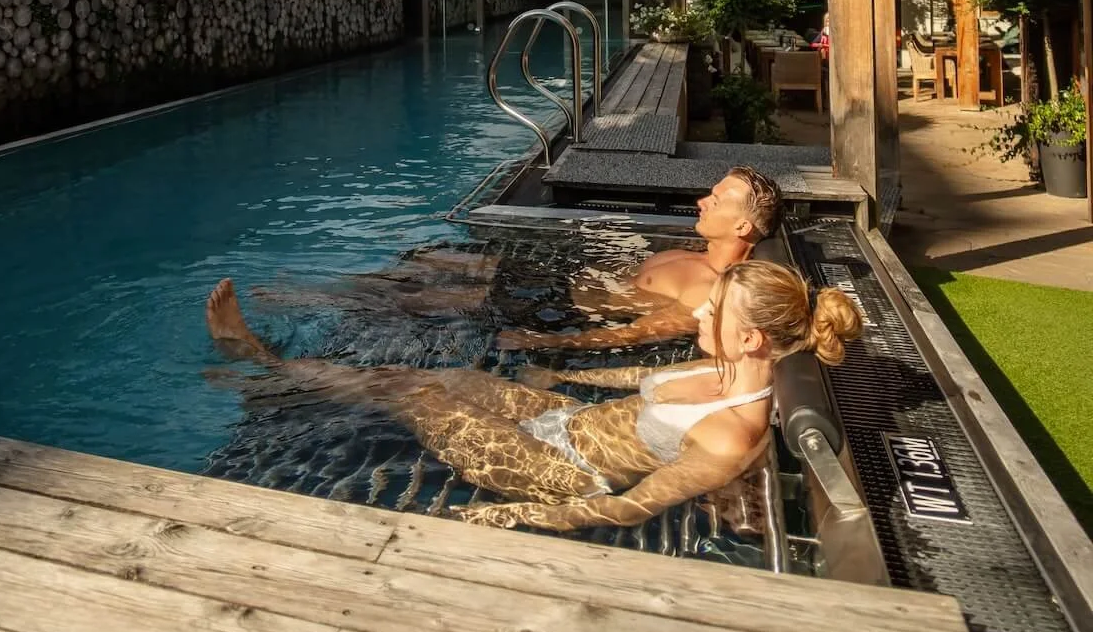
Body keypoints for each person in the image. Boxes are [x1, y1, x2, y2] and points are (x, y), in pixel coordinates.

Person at [203, 261, 861, 533]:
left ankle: (263, 364)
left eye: (712, 311)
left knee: (417, 392)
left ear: (749, 339)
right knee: (443, 382)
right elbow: (634, 388)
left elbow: (628, 507)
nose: (698, 315)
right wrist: (559, 383)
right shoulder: (719, 366)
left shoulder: (728, 437)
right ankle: (277, 374)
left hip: (563, 469)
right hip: (566, 421)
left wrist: (519, 517)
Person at [495, 165, 784, 355]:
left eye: (716, 201)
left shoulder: (706, 293)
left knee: (467, 285)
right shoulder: (699, 255)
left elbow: (631, 334)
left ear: (742, 227)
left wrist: (541, 341)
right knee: (476, 264)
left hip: (561, 313)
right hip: (565, 283)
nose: (701, 202)